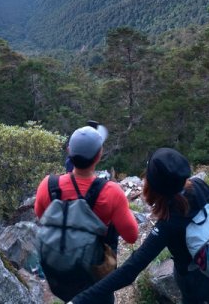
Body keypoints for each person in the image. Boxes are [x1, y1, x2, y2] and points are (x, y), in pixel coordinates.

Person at [68, 147, 209, 304]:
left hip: (202, 286)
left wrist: (79, 300)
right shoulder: (200, 185)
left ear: (152, 186)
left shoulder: (168, 224)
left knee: (186, 278)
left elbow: (130, 270)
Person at [34, 124, 139, 303]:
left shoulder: (49, 185)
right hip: (95, 277)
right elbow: (131, 235)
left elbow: (40, 215)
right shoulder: (112, 192)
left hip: (60, 273)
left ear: (69, 151)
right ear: (99, 155)